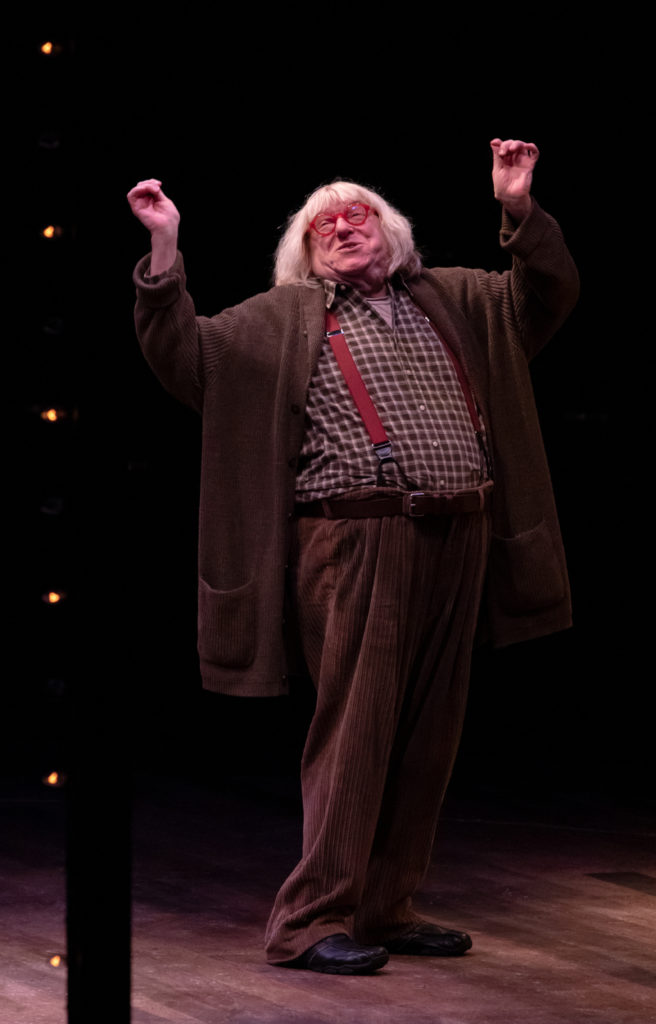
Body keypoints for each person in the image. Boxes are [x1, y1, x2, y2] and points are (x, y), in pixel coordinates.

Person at [127, 139, 579, 975]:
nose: (342, 226)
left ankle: (386, 904)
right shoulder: (277, 321)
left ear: (392, 232)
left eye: (357, 213)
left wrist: (518, 208)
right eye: (322, 223)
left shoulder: (463, 299)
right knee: (358, 730)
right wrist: (164, 252)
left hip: (460, 535)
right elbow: (181, 355)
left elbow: (549, 293)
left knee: (428, 736)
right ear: (303, 250)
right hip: (354, 542)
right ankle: (308, 920)